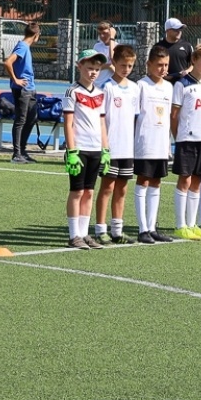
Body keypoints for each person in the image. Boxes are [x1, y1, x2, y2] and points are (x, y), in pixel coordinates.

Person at [170, 43, 201, 240]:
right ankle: (180, 225)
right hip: (187, 140)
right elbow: (174, 115)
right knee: (185, 179)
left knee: (198, 181)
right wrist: (178, 137)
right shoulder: (181, 84)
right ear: (194, 61)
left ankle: (192, 224)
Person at [62, 49, 110, 249]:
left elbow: (101, 123)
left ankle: (84, 233)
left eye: (97, 69)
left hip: (95, 149)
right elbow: (68, 123)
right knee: (77, 191)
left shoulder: (100, 93)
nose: (93, 72)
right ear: (79, 66)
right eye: (90, 68)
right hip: (79, 149)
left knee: (89, 192)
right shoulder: (72, 91)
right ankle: (74, 235)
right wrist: (72, 151)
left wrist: (106, 150)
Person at [94, 43, 141, 244]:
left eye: (130, 66)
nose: (126, 69)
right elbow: (100, 118)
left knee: (122, 189)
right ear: (114, 63)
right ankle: (100, 229)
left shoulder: (134, 88)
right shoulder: (107, 88)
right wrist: (103, 145)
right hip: (111, 147)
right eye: (123, 65)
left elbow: (135, 118)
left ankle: (117, 230)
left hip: (127, 148)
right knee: (107, 187)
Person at [132, 46, 176, 244]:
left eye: (166, 65)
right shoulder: (140, 86)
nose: (163, 69)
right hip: (144, 142)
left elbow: (167, 117)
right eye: (159, 65)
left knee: (157, 182)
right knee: (143, 180)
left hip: (161, 143)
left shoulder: (169, 87)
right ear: (149, 64)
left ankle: (152, 226)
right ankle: (142, 229)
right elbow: (134, 117)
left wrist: (168, 144)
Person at [6, 22, 41, 163]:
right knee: (20, 120)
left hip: (30, 88)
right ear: (36, 35)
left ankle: (23, 150)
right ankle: (16, 154)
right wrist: (16, 79)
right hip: (22, 89)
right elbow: (8, 62)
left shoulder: (25, 47)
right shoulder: (22, 46)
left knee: (32, 118)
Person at [159, 17, 193, 83]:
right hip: (164, 84)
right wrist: (162, 73)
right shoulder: (158, 47)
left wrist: (187, 71)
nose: (179, 31)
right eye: (176, 29)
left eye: (180, 29)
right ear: (167, 31)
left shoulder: (187, 46)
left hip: (183, 83)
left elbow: (194, 64)